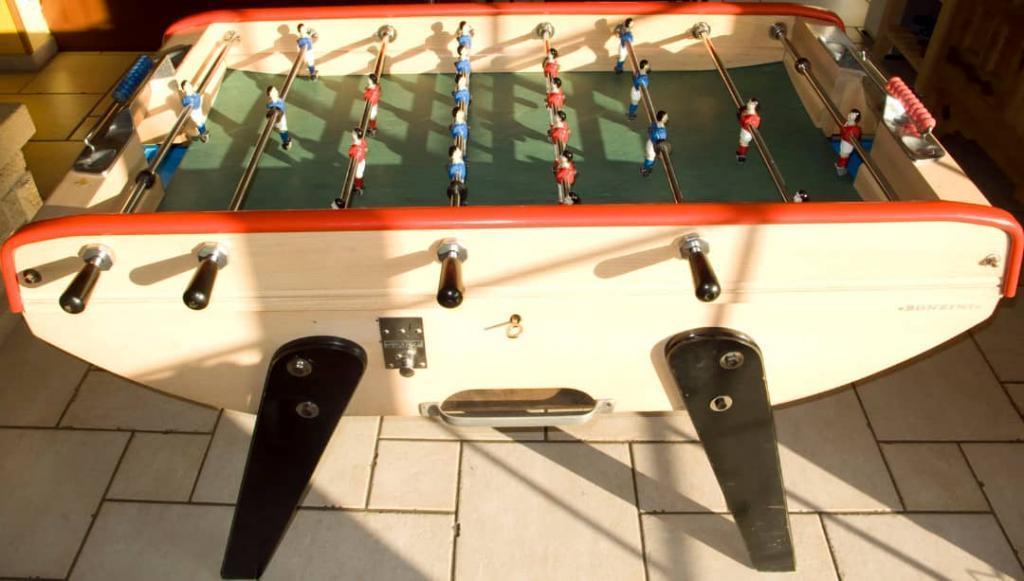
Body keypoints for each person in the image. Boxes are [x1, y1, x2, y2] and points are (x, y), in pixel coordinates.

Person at [642, 110, 669, 177]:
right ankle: (644, 169)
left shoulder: (655, 123)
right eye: (665, 117)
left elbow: (649, 130)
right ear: (661, 118)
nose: (667, 118)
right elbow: (658, 143)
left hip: (650, 143)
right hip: (652, 146)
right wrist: (659, 153)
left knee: (650, 158)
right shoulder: (661, 130)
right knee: (650, 159)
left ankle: (647, 167)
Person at [836, 109, 862, 176]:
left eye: (852, 115)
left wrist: (844, 130)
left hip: (848, 144)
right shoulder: (847, 123)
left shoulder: (856, 129)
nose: (849, 116)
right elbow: (842, 131)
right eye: (850, 114)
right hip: (844, 141)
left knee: (844, 155)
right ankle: (839, 165)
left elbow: (850, 136)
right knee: (841, 153)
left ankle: (841, 168)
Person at [266, 86, 292, 150]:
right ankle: (286, 141)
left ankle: (286, 141)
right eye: (274, 91)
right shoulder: (271, 103)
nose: (276, 91)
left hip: (281, 118)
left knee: (283, 129)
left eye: (276, 90)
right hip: (278, 119)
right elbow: (269, 110)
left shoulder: (278, 100)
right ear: (270, 94)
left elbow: (281, 106)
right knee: (281, 129)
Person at [736, 98, 761, 163]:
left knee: (744, 143)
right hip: (744, 130)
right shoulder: (747, 111)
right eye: (749, 102)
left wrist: (742, 115)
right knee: (742, 141)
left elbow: (745, 121)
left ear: (754, 106)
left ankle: (742, 156)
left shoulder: (753, 118)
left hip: (747, 133)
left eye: (750, 103)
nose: (748, 103)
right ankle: (740, 152)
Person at [348, 127, 368, 195]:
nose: (352, 134)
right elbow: (366, 149)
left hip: (358, 164)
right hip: (362, 161)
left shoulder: (354, 148)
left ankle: (358, 187)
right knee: (359, 175)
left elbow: (350, 154)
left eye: (353, 133)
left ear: (355, 136)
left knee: (357, 176)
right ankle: (360, 184)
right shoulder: (363, 141)